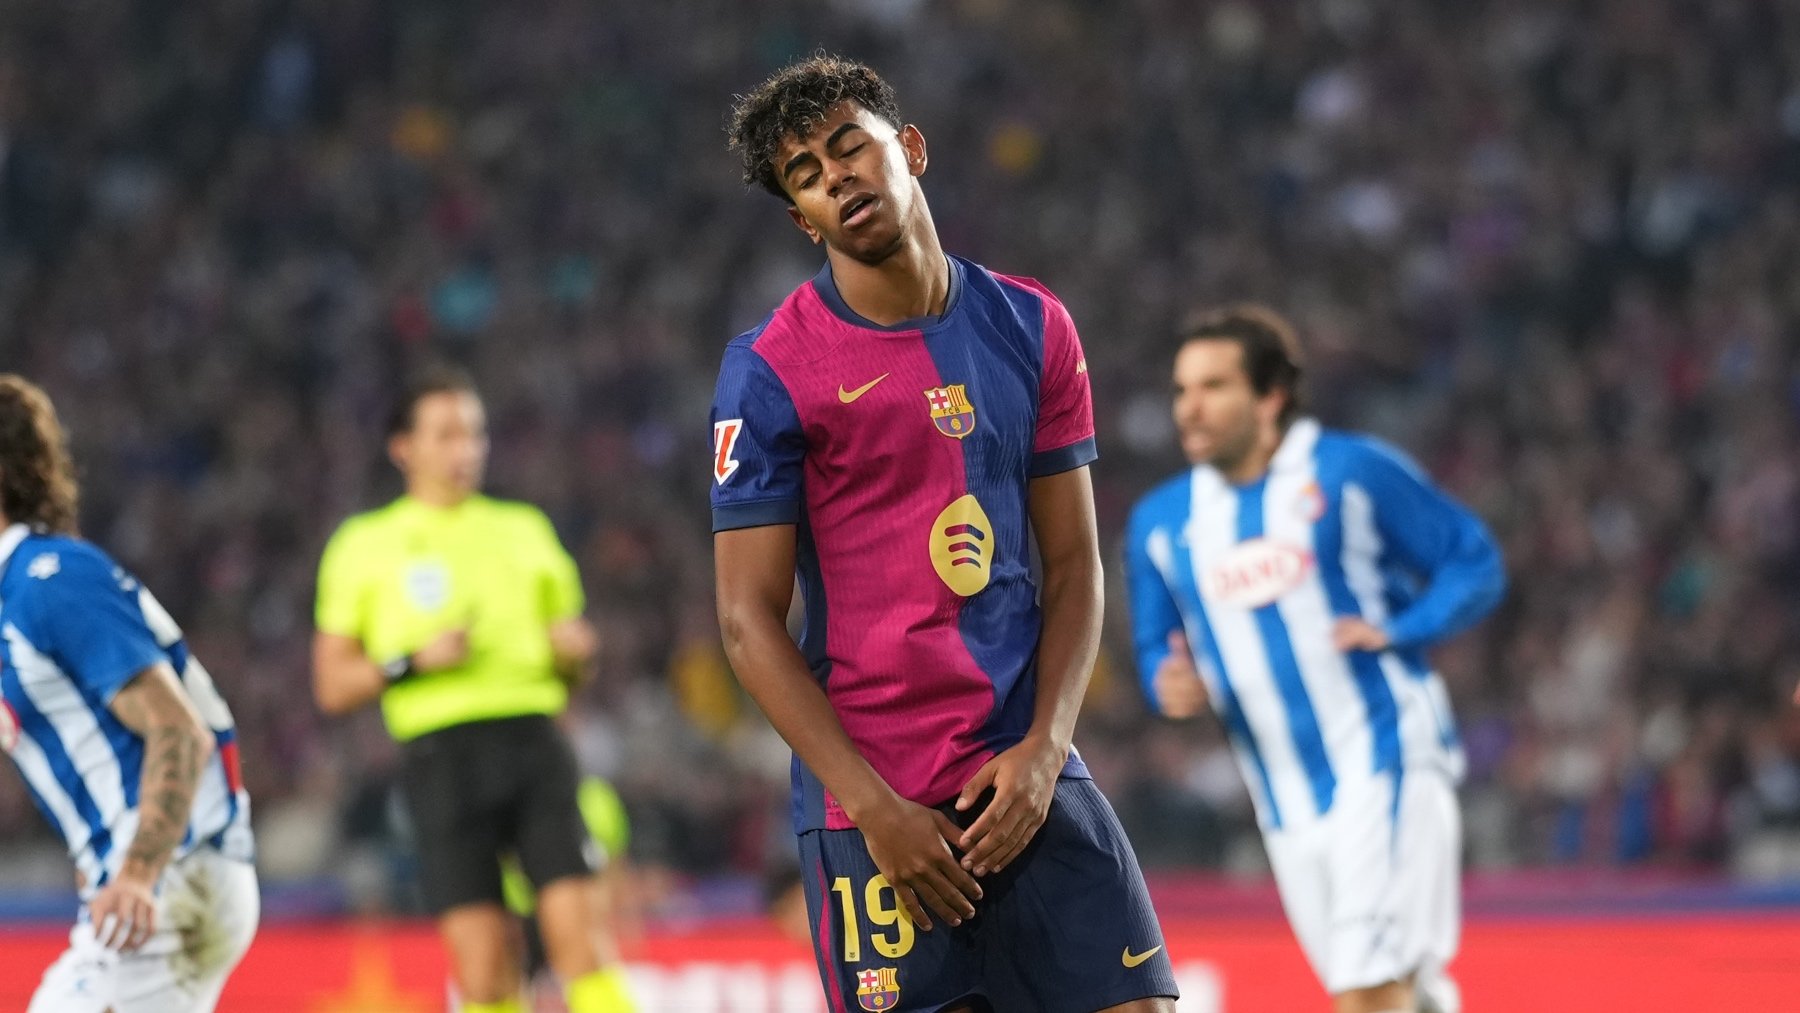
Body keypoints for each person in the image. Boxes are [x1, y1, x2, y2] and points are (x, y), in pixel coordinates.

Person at [711, 55, 1177, 1013]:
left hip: (1025, 774)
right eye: (808, 175)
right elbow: (746, 622)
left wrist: (1047, 749)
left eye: (850, 147)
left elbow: (1074, 564)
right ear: (803, 220)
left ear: (909, 149)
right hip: (876, 805)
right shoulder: (771, 368)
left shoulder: (1034, 325)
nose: (837, 177)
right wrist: (875, 809)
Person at [1122, 306, 1505, 1013]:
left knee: (1367, 990)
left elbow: (1473, 559)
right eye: (1181, 390)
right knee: (1398, 992)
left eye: (1214, 386)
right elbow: (1154, 641)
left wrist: (1401, 626)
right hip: (1285, 799)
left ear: (1271, 396)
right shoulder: (1161, 520)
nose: (1190, 407)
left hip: (1385, 752)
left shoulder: (1351, 473)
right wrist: (1164, 680)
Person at [311, 366, 633, 1013]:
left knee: (582, 942)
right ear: (404, 447)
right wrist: (410, 662)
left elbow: (575, 656)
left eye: (475, 434)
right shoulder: (364, 545)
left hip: (535, 743)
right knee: (485, 967)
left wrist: (579, 654)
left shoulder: (525, 529)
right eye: (447, 434)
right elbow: (332, 684)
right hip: (442, 759)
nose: (466, 449)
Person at [0, 374, 259, 1012]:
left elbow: (178, 728)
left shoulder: (50, 581)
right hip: (158, 881)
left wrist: (139, 874)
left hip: (171, 879)